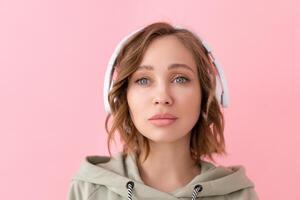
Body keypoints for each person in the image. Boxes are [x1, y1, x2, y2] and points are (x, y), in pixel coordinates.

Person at [67, 21, 259, 200]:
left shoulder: (238, 194)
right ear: (122, 96)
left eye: (180, 79)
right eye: (143, 80)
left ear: (208, 92)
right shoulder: (88, 190)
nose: (162, 97)